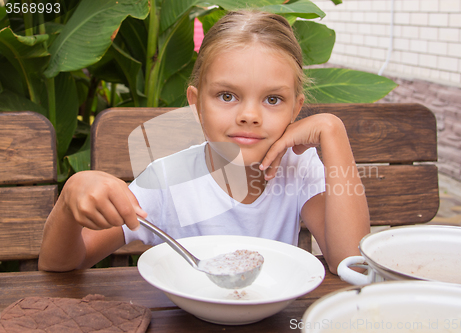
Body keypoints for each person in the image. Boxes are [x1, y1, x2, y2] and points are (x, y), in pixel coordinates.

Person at [38, 10, 370, 274]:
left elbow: (351, 261)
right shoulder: (168, 180)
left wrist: (332, 131)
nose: (249, 115)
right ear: (196, 106)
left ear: (295, 109)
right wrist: (70, 199)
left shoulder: (299, 169)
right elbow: (60, 264)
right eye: (227, 95)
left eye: (272, 100)